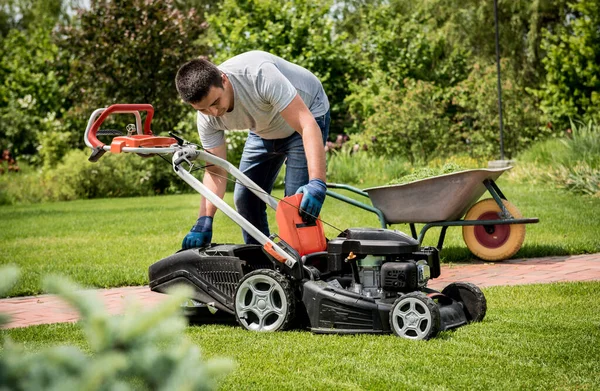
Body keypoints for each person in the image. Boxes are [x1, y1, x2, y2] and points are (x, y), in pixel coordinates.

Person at [175, 50, 330, 249]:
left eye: (215, 103)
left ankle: (306, 268)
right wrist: (204, 220)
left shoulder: (258, 75)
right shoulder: (207, 118)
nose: (213, 113)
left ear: (224, 80)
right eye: (203, 109)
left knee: (296, 206)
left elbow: (306, 124)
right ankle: (262, 264)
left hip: (306, 115)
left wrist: (317, 183)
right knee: (245, 198)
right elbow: (215, 170)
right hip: (263, 127)